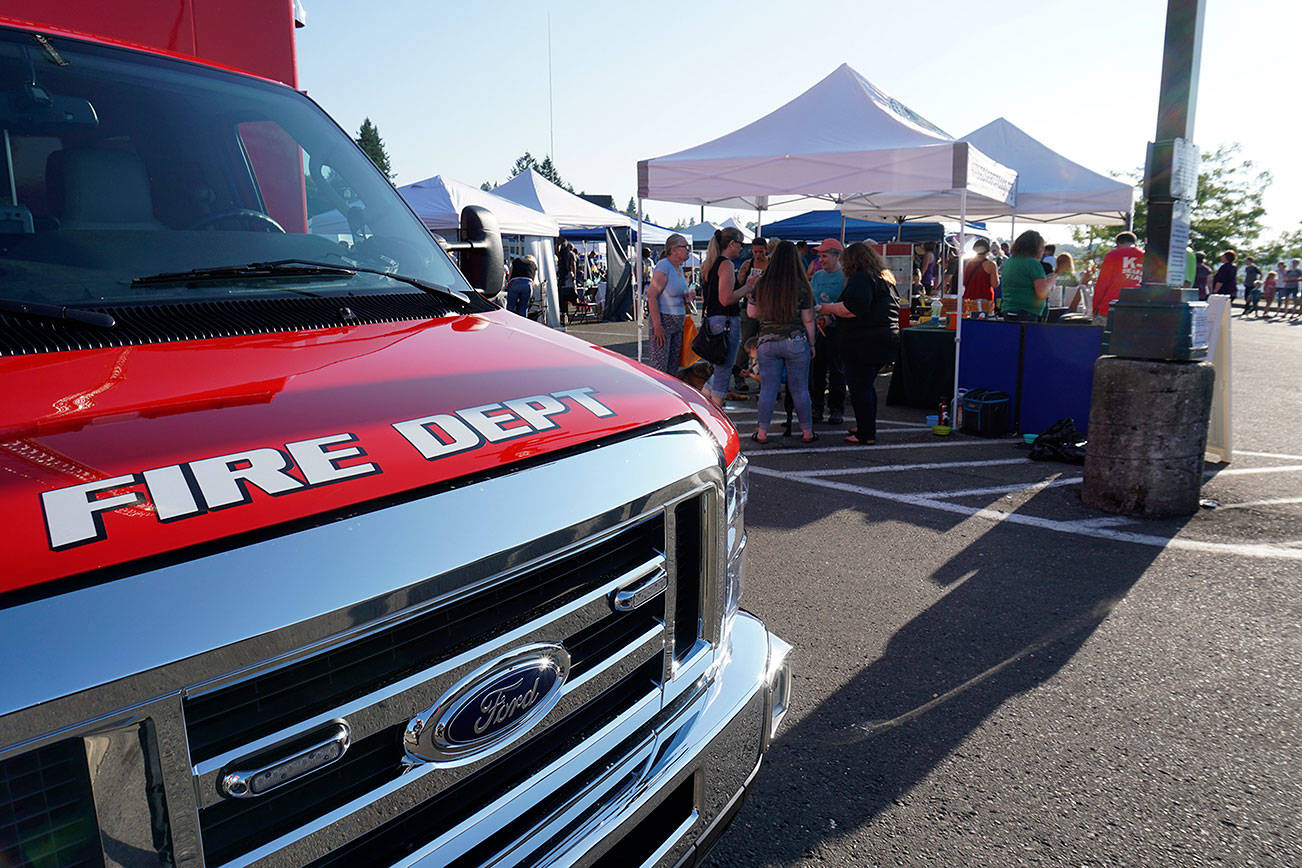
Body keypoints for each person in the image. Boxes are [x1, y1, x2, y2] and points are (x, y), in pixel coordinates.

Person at [818, 242, 900, 445]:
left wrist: (825, 308)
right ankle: (866, 425)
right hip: (885, 339)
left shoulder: (861, 278)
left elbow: (853, 309)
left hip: (864, 343)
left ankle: (866, 432)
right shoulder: (883, 278)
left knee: (859, 387)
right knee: (866, 386)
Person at [745, 240, 816, 443]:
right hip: (795, 340)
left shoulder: (762, 283)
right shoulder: (802, 287)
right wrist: (812, 345)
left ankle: (762, 433)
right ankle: (807, 432)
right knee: (800, 389)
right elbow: (808, 320)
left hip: (767, 342)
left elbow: (751, 312)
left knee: (768, 388)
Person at [701, 227, 751, 407]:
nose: (741, 249)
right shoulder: (726, 264)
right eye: (740, 244)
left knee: (720, 367)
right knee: (724, 369)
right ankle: (716, 411)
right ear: (732, 243)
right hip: (726, 321)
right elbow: (726, 299)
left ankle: (705, 398)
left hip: (714, 320)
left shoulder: (711, 263)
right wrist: (747, 287)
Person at [808, 238, 846, 424]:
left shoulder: (845, 276)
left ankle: (836, 409)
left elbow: (849, 304)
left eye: (824, 256)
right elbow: (812, 300)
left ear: (836, 256)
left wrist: (831, 313)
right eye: (820, 256)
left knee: (837, 370)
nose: (820, 260)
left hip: (838, 330)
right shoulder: (817, 276)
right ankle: (817, 407)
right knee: (817, 370)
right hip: (818, 330)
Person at [645, 233, 693, 375]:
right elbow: (651, 296)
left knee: (672, 366)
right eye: (685, 247)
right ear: (674, 249)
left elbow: (673, 294)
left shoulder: (677, 268)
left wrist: (687, 297)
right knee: (660, 367)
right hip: (664, 322)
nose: (688, 250)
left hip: (677, 323)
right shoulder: (663, 266)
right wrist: (658, 326)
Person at [1000, 230, 1057, 320]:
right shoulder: (1033, 263)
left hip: (1008, 310)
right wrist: (1052, 280)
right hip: (1027, 313)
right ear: (1037, 248)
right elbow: (1042, 293)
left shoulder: (1009, 261)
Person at [1092, 231, 1144, 322]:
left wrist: (1095, 307)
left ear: (1118, 243)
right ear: (1135, 243)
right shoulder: (1145, 257)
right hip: (1136, 309)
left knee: (1101, 335)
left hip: (1110, 308)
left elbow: (1102, 285)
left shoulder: (1112, 255)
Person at [960, 238, 999, 307]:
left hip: (969, 300)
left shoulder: (968, 264)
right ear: (987, 250)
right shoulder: (991, 265)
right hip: (985, 301)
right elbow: (995, 284)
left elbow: (964, 282)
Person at [556, 239, 579, 324]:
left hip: (562, 276)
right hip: (569, 275)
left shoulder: (560, 254)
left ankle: (563, 313)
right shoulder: (571, 254)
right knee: (570, 293)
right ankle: (568, 310)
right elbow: (573, 265)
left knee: (562, 296)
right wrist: (575, 276)